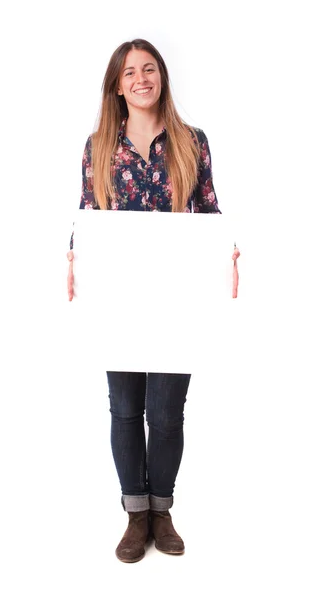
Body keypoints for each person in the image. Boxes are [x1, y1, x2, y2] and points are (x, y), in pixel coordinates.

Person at [66, 38, 240, 563]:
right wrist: (74, 258)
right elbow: (87, 211)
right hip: (118, 294)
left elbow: (209, 208)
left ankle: (161, 509)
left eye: (149, 69)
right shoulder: (100, 144)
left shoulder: (192, 141)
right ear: (116, 86)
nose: (141, 79)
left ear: (160, 75)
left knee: (166, 412)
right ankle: (134, 514)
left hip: (178, 294)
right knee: (124, 408)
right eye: (129, 73)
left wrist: (227, 254)